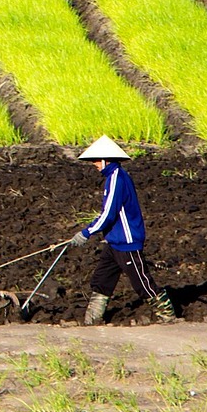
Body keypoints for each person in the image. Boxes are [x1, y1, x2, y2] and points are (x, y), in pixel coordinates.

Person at [69, 135, 176, 325]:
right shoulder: (112, 177)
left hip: (126, 241)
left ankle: (167, 317)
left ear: (106, 159)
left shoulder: (117, 178)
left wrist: (86, 233)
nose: (94, 164)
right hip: (114, 241)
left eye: (96, 160)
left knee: (141, 282)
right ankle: (92, 320)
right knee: (102, 278)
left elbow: (108, 213)